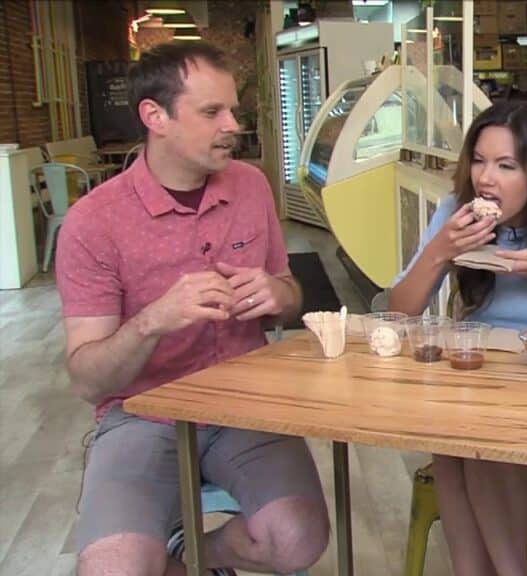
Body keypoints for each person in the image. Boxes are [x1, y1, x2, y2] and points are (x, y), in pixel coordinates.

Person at [56, 41, 329, 576]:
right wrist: (154, 320)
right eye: (212, 112)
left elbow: (288, 293)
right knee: (112, 568)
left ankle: (189, 555)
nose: (233, 125)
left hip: (245, 403)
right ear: (154, 117)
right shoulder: (92, 222)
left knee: (298, 540)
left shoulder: (250, 186)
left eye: (233, 109)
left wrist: (278, 296)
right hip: (140, 415)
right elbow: (88, 379)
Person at [388, 100, 527, 575]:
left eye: (506, 165)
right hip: (477, 380)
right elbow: (398, 311)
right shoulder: (456, 211)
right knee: (452, 444)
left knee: (479, 441)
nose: (486, 179)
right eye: (479, 161)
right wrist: (439, 252)